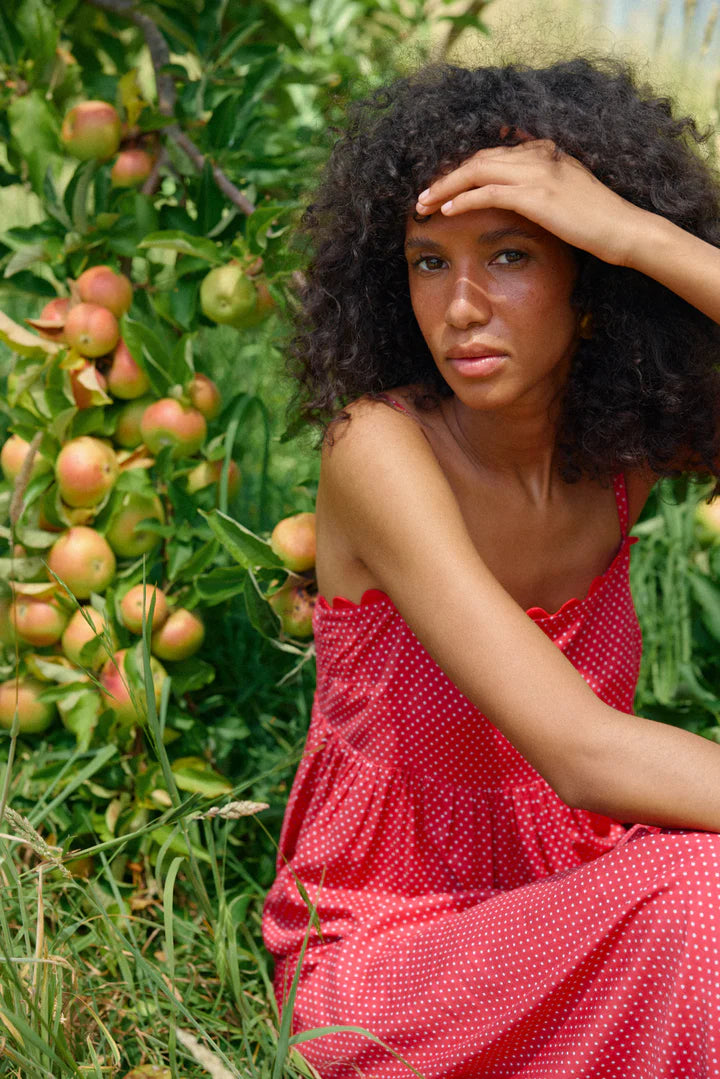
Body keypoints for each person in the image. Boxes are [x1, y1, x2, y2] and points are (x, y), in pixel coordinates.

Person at [262, 56, 720, 1078]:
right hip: (392, 963)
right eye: (429, 260)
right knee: (707, 890)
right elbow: (582, 752)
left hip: (583, 905)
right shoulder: (378, 450)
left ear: (589, 284)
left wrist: (638, 235)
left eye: (509, 255)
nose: (461, 304)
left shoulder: (620, 457)